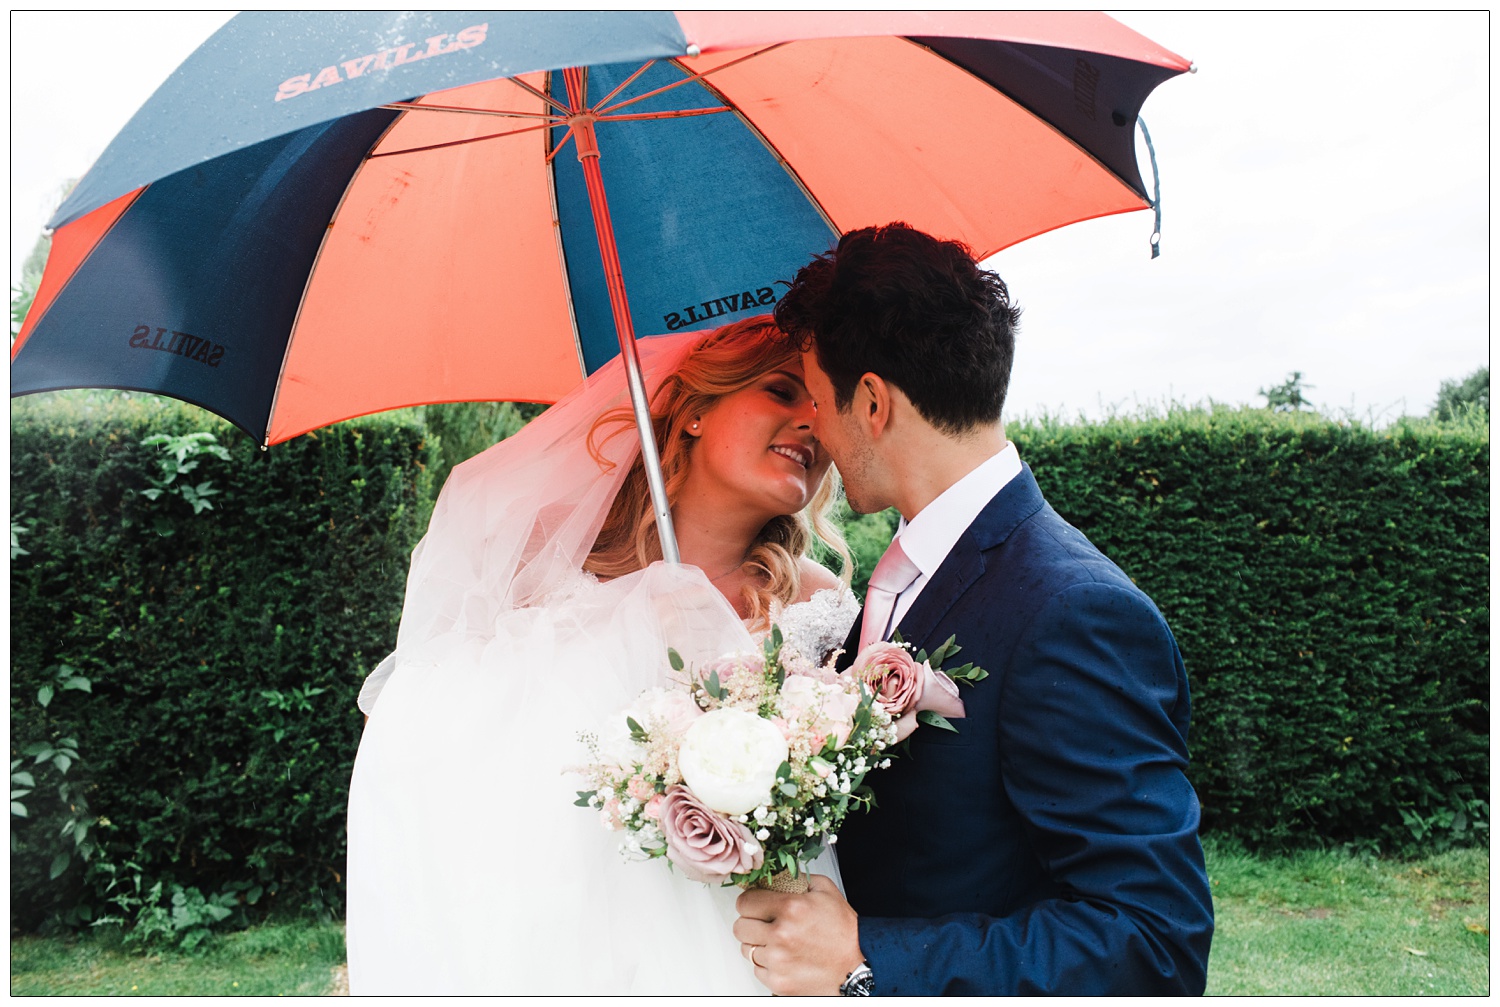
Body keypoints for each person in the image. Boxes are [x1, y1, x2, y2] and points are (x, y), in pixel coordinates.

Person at [732, 223, 1214, 996]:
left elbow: (1153, 942)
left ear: (872, 402)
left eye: (817, 401)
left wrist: (866, 958)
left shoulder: (1076, 611)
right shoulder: (909, 570)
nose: (814, 429)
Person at [345, 317, 859, 995]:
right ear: (698, 410)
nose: (810, 425)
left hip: (749, 942)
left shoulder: (818, 606)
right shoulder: (547, 575)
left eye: (820, 409)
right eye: (782, 391)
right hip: (565, 942)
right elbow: (435, 749)